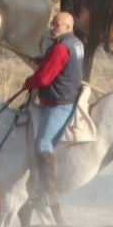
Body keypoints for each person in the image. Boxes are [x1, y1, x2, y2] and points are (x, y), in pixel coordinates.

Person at [20, 11, 85, 209]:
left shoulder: (60, 49)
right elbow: (58, 65)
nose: (52, 26)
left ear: (68, 26)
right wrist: (43, 61)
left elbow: (44, 79)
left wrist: (28, 83)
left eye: (56, 24)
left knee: (43, 144)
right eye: (53, 22)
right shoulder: (76, 43)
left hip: (59, 102)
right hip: (69, 95)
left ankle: (49, 192)